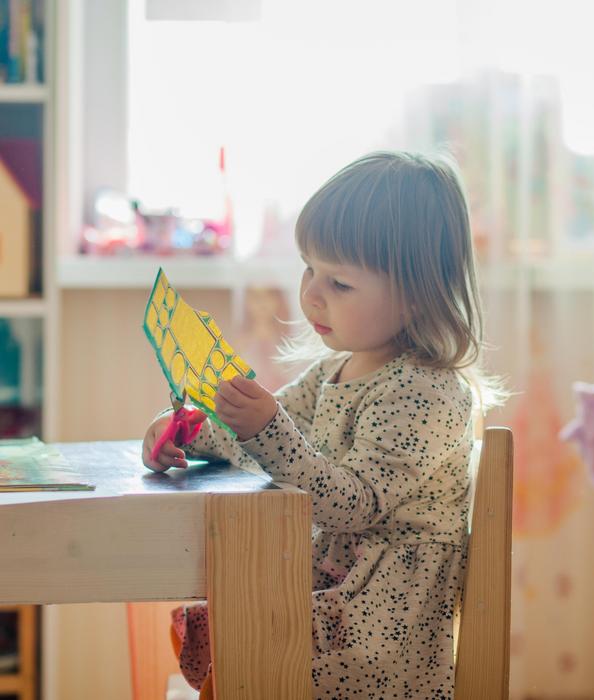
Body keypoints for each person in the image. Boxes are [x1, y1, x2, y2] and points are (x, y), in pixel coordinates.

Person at [142, 150, 501, 700]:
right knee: (231, 631)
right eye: (310, 267)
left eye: (340, 283)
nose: (311, 292)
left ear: (416, 294)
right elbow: (263, 440)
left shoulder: (427, 391)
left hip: (378, 633)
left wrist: (264, 429)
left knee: (244, 648)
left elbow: (351, 503)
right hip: (334, 597)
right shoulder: (333, 369)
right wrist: (189, 432)